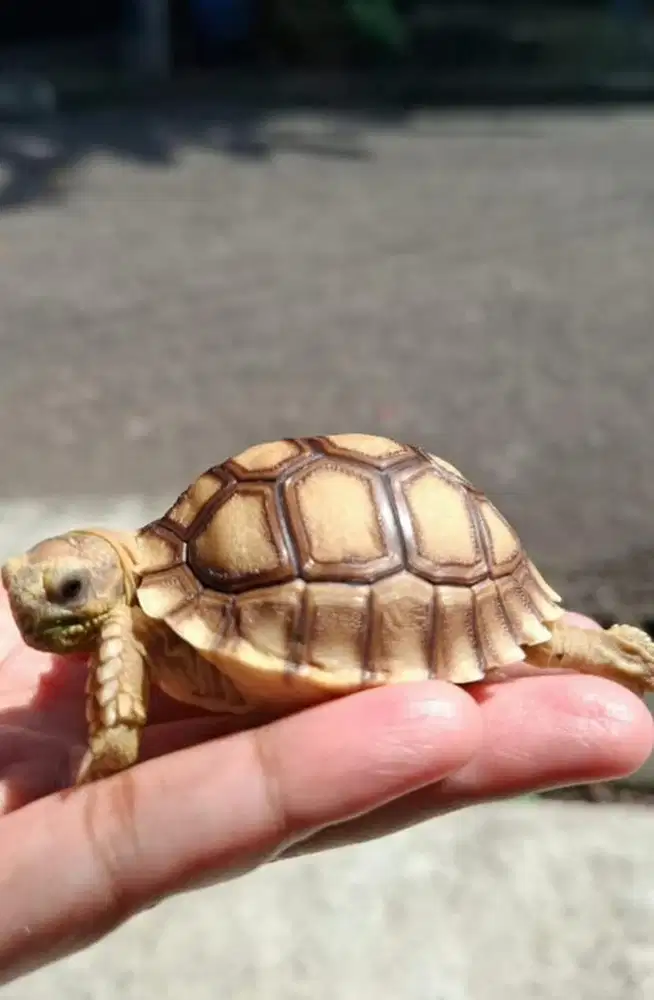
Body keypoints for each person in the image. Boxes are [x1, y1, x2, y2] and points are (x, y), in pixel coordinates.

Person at [0, 588, 650, 987]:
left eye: (70, 591)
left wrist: (114, 737)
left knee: (530, 645)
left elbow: (125, 631)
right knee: (530, 645)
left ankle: (627, 662)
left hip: (407, 570)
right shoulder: (147, 613)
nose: (37, 611)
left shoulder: (134, 622)